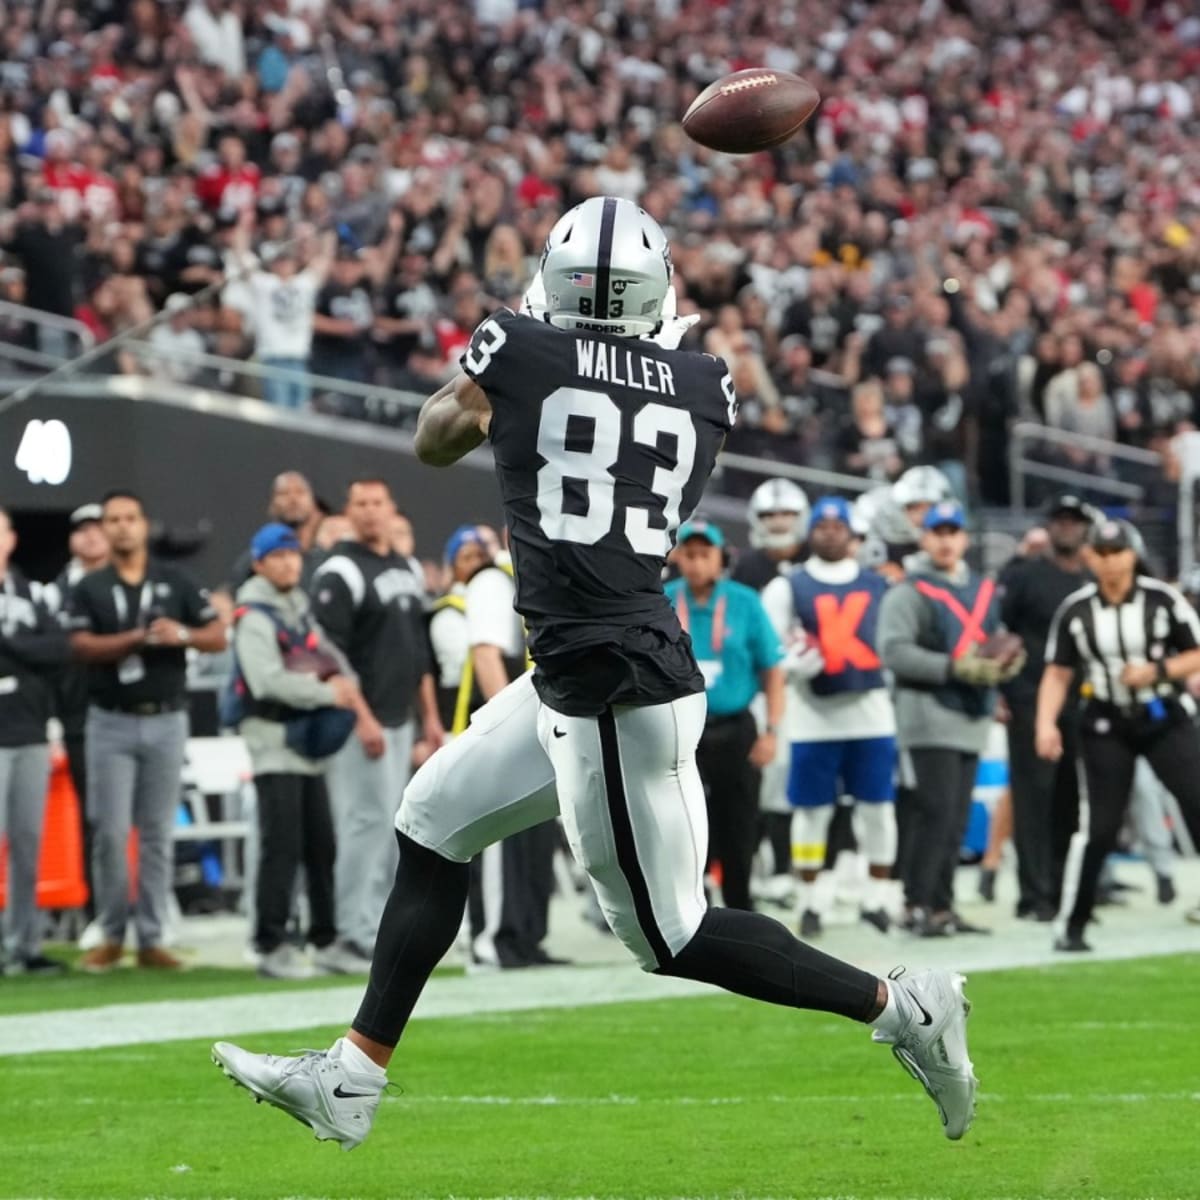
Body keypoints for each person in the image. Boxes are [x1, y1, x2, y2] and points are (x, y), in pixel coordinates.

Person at [213, 196, 976, 1149]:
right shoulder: (705, 382)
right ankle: (351, 1077)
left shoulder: (518, 347)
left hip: (613, 689)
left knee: (673, 937)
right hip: (585, 666)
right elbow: (617, 412)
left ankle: (903, 1004)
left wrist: (517, 337)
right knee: (431, 822)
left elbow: (435, 438)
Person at [67, 491, 227, 971]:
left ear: (143, 524)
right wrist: (136, 639)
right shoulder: (90, 587)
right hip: (110, 719)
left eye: (129, 518)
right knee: (111, 831)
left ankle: (153, 935)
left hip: (166, 716)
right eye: (112, 519)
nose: (121, 527)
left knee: (158, 831)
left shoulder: (174, 580)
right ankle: (112, 931)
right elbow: (79, 646)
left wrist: (182, 634)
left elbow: (217, 635)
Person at [1036, 518, 1200, 951]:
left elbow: (1196, 653)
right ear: (1090, 556)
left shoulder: (1162, 600)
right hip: (1105, 722)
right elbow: (1057, 672)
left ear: (1133, 553)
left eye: (1117, 552)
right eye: (1102, 553)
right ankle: (1072, 924)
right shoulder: (1076, 609)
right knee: (1100, 827)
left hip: (1164, 715)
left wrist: (1156, 671)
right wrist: (1044, 723)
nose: (1110, 563)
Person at [310, 478, 445, 969]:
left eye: (378, 504)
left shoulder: (407, 567)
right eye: (360, 504)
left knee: (395, 828)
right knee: (364, 825)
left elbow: (419, 653)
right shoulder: (340, 570)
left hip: (401, 719)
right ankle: (350, 935)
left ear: (392, 511)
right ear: (348, 512)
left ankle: (379, 929)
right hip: (359, 721)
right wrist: (361, 717)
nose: (370, 512)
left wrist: (430, 718)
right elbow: (328, 657)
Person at [877, 500, 1024, 937]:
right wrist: (954, 667)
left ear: (963, 538)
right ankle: (915, 904)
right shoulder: (908, 590)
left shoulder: (980, 588)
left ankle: (942, 907)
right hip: (928, 713)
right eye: (936, 532)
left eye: (952, 532)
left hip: (972, 714)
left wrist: (1003, 668)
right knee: (934, 811)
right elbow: (893, 650)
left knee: (956, 817)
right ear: (923, 538)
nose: (945, 540)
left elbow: (990, 640)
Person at [230, 523, 366, 980]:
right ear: (259, 563)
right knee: (281, 845)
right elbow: (266, 680)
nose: (289, 563)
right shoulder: (253, 615)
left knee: (320, 844)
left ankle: (323, 939)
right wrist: (330, 694)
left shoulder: (298, 610)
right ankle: (270, 943)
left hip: (304, 741)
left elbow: (333, 659)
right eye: (278, 556)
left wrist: (345, 685)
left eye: (293, 555)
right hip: (272, 739)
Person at [762, 496, 898, 938]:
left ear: (854, 534)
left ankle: (876, 898)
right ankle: (810, 901)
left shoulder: (881, 585)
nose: (831, 531)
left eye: (840, 526)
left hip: (871, 712)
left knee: (877, 808)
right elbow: (768, 647)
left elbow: (896, 645)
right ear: (810, 531)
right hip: (812, 716)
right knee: (811, 811)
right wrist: (791, 662)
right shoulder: (787, 586)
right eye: (822, 525)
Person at [666, 519, 784, 911]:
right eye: (689, 554)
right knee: (684, 822)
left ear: (721, 559)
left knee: (740, 820)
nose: (696, 563)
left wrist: (772, 730)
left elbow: (772, 669)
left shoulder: (745, 601)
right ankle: (691, 904)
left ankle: (740, 904)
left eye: (705, 555)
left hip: (736, 728)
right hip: (680, 729)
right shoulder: (663, 600)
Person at [461, 528, 560, 968]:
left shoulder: (550, 572)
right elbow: (486, 654)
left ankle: (527, 937)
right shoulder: (494, 579)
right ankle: (494, 939)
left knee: (538, 840)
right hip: (516, 727)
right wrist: (511, 724)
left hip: (551, 724)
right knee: (503, 841)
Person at [996, 494, 1094, 920]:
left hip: (1085, 705)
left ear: (1085, 529)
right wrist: (1000, 691)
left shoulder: (1092, 578)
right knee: (1033, 798)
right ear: (1049, 527)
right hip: (1029, 698)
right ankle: (1034, 896)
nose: (1067, 527)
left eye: (1074, 521)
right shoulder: (1025, 576)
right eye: (1060, 520)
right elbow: (999, 633)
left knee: (1071, 802)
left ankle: (1064, 891)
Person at [0, 507, 72, 974]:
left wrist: (9, 644)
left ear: (11, 538)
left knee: (27, 842)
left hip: (27, 731)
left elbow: (59, 647)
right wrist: (26, 648)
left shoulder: (30, 592)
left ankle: (21, 945)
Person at [730, 477, 809, 896]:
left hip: (815, 687)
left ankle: (804, 867)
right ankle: (770, 868)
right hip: (766, 686)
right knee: (768, 777)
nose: (779, 522)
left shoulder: (819, 559)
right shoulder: (747, 569)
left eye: (787, 514)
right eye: (770, 515)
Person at [42, 503, 111, 919]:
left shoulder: (134, 583)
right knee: (92, 817)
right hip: (78, 717)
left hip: (125, 712)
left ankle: (140, 910)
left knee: (136, 820)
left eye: (97, 528)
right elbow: (48, 663)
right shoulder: (52, 594)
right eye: (82, 529)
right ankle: (97, 911)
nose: (91, 536)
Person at [230, 471, 324, 587]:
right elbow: (229, 596)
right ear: (272, 504)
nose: (293, 499)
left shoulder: (324, 555)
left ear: (313, 502)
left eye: (300, 492)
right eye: (284, 493)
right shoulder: (258, 556)